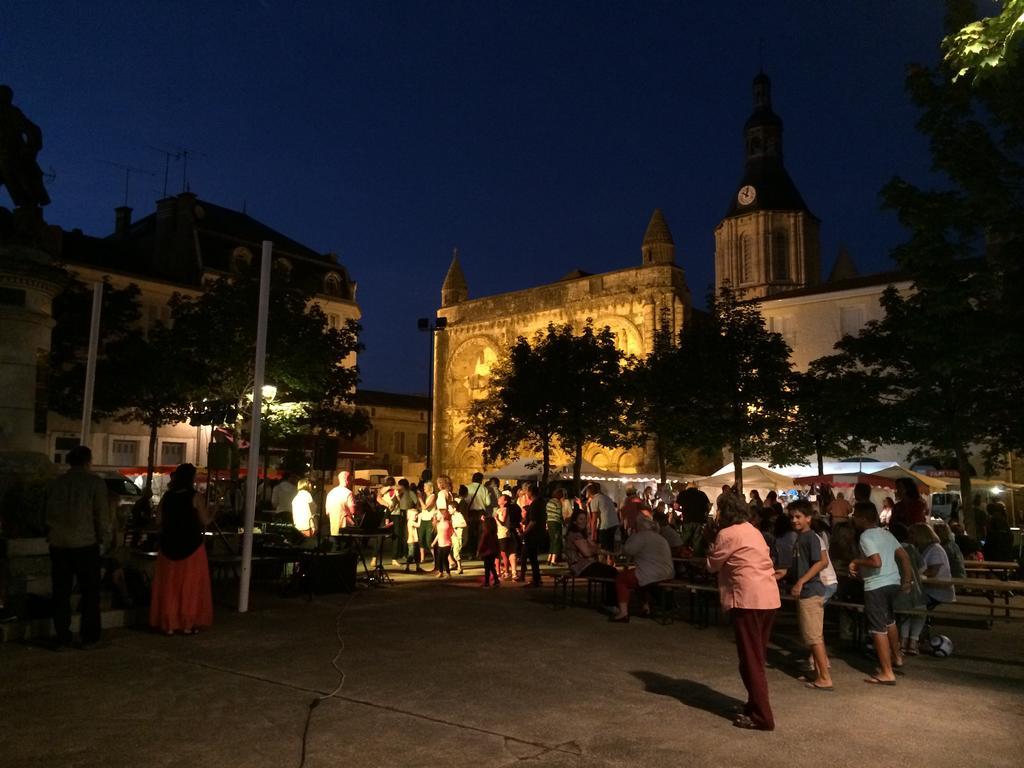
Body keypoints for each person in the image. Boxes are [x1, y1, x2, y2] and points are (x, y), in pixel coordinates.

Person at [705, 500, 781, 731]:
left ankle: (762, 716)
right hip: (768, 597)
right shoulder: (754, 531)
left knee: (750, 659)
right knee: (755, 656)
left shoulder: (727, 533)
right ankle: (753, 705)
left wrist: (709, 550)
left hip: (746, 598)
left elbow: (712, 565)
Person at [43, 446, 108, 650]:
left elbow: (45, 513)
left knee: (60, 592)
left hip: (59, 543)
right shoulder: (94, 483)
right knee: (90, 593)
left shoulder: (56, 484)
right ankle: (90, 637)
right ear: (88, 460)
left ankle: (63, 637)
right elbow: (101, 515)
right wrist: (103, 539)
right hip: (85, 544)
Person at [850, 501, 913, 685]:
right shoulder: (886, 533)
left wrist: (856, 562)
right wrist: (906, 580)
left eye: (855, 515)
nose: (853, 518)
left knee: (878, 628)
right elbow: (904, 556)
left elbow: (876, 562)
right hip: (893, 582)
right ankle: (897, 657)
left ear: (862, 518)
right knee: (889, 621)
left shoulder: (865, 536)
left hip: (876, 585)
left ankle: (886, 672)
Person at [150, 463, 214, 636]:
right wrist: (214, 512)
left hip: (168, 545)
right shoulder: (196, 497)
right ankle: (187, 624)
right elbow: (205, 520)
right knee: (190, 586)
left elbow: (158, 520)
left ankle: (169, 624)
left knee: (169, 586)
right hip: (191, 546)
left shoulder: (167, 496)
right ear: (191, 478)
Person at [785, 500, 833, 690]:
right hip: (808, 591)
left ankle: (824, 677)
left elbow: (821, 562)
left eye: (798, 517)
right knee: (812, 636)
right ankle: (819, 673)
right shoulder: (801, 538)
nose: (794, 520)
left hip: (811, 591)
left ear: (808, 518)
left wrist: (801, 581)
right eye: (792, 517)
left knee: (814, 637)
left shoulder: (810, 537)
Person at [609, 514, 674, 622]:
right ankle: (645, 607)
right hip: (667, 573)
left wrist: (631, 537)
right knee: (640, 582)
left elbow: (628, 550)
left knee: (622, 579)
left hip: (651, 573)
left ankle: (623, 612)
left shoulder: (642, 536)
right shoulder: (661, 538)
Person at [906, 522, 956, 655]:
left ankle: (912, 639)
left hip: (938, 590)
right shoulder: (925, 548)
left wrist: (915, 575)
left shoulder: (935, 549)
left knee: (912, 605)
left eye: (912, 534)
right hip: (928, 588)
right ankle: (911, 639)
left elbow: (933, 571)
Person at [564, 510, 618, 608]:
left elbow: (594, 547)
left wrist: (596, 549)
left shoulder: (583, 533)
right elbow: (587, 552)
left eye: (585, 519)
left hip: (588, 564)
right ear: (575, 521)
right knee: (612, 572)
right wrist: (595, 549)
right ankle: (611, 603)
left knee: (611, 572)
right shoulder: (575, 534)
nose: (584, 521)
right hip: (580, 566)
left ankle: (612, 602)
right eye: (581, 519)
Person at [519, 484, 545, 587]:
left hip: (533, 534)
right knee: (530, 556)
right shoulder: (541, 503)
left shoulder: (535, 504)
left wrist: (525, 533)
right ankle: (536, 578)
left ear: (531, 493)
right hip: (538, 532)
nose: (526, 494)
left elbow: (533, 521)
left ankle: (536, 579)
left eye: (527, 492)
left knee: (533, 557)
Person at [587, 483, 619, 564]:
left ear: (590, 492)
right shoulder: (606, 497)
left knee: (602, 549)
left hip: (604, 526)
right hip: (614, 524)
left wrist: (593, 534)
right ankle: (611, 566)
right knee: (610, 549)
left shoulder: (595, 500)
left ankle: (604, 567)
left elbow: (594, 519)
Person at [325, 470, 356, 534]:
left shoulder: (331, 492)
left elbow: (327, 512)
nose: (351, 482)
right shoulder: (348, 493)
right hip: (345, 527)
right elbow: (353, 511)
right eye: (351, 479)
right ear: (347, 480)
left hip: (334, 525)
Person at [477, 517, 500, 587]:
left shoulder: (485, 533)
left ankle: (487, 582)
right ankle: (496, 579)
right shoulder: (494, 533)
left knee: (487, 567)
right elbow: (497, 543)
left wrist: (478, 551)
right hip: (493, 552)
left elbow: (481, 543)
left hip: (487, 552)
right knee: (491, 566)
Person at [431, 507, 453, 579]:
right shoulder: (438, 524)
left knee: (445, 558)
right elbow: (438, 534)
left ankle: (448, 573)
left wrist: (452, 539)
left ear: (443, 515)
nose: (437, 516)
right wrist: (434, 542)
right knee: (439, 559)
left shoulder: (448, 523)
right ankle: (441, 572)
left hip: (447, 544)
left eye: (438, 514)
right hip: (440, 544)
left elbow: (452, 532)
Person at [450, 484, 467, 574]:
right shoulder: (452, 516)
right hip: (453, 536)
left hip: (458, 536)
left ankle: (459, 567)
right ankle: (456, 566)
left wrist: (456, 525)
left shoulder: (459, 515)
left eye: (450, 508)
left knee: (456, 552)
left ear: (454, 508)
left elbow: (464, 524)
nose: (449, 510)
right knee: (452, 551)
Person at [546, 488, 566, 565]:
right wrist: (563, 523)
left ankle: (549, 558)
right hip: (556, 523)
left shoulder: (549, 502)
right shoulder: (558, 502)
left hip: (549, 522)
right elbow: (559, 515)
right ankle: (553, 560)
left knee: (552, 540)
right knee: (557, 541)